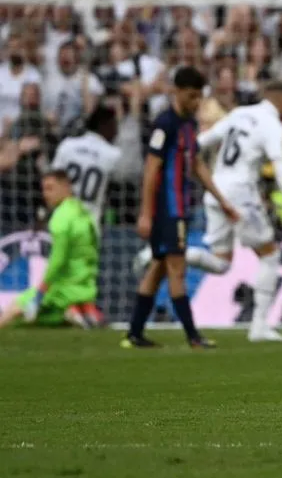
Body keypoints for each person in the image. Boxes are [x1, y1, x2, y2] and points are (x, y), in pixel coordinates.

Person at [191, 80, 282, 343]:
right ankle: (259, 327)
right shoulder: (272, 125)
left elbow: (204, 140)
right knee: (271, 254)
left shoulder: (238, 114)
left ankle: (164, 253)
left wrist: (178, 148)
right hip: (240, 195)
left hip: (215, 190)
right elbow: (281, 170)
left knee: (222, 262)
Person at [123, 67, 239, 349]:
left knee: (159, 268)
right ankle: (192, 336)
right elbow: (151, 170)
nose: (196, 102)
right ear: (176, 91)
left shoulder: (188, 124)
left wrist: (222, 200)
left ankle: (135, 333)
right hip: (167, 209)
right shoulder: (165, 124)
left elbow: (196, 164)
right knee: (177, 269)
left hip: (179, 208)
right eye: (191, 96)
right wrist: (146, 214)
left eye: (199, 97)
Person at [0, 171, 99, 329]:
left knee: (13, 310)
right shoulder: (83, 213)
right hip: (85, 288)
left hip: (62, 289)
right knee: (40, 322)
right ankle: (76, 313)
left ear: (66, 187)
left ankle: (73, 312)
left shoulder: (60, 218)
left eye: (50, 188)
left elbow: (57, 261)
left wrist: (40, 292)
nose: (45, 194)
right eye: (44, 189)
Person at [50, 105, 122, 229]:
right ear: (104, 125)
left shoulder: (67, 145)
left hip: (61, 220)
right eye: (115, 125)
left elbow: (52, 181)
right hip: (90, 224)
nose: (117, 131)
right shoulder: (113, 154)